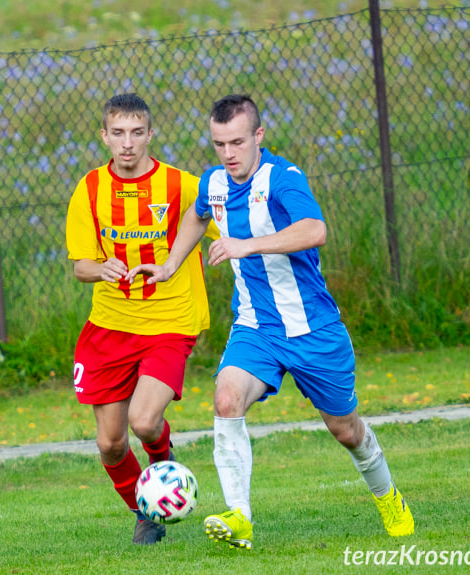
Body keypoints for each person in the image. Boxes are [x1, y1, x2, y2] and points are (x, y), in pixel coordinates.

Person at [127, 95, 414, 548]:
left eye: (238, 141)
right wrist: (168, 265)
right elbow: (197, 215)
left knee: (346, 431)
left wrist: (246, 244)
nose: (228, 153)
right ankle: (239, 516)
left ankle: (389, 497)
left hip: (313, 330)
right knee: (226, 398)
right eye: (219, 144)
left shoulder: (283, 178)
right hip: (256, 329)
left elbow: (314, 230)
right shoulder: (214, 183)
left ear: (258, 136)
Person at [65, 93, 218, 545]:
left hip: (169, 321)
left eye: (136, 133)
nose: (127, 144)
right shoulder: (90, 189)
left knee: (145, 421)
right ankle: (146, 508)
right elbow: (80, 266)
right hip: (110, 327)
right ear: (104, 137)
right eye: (118, 134)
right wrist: (100, 268)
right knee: (110, 444)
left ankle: (162, 458)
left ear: (151, 135)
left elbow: (222, 216)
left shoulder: (180, 185)